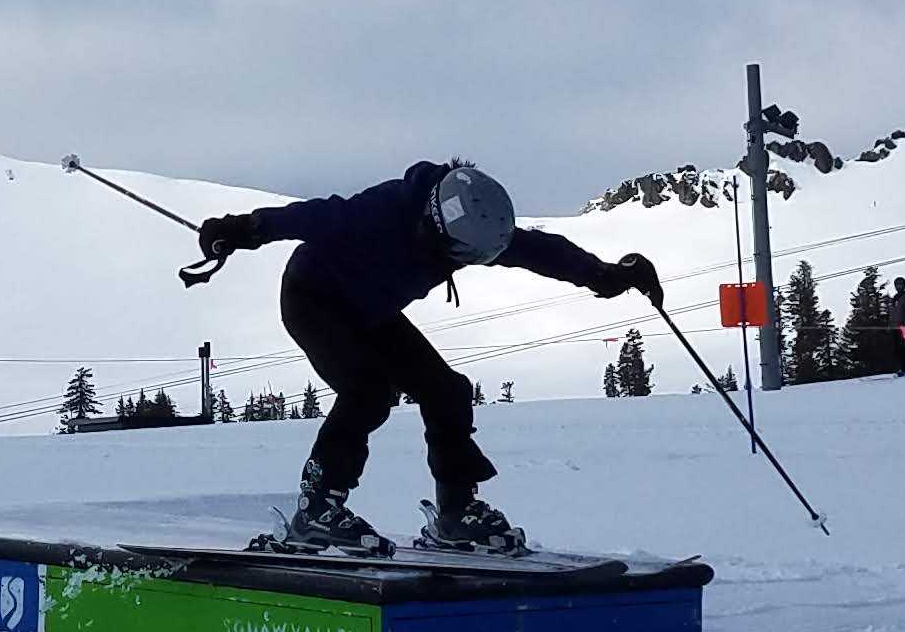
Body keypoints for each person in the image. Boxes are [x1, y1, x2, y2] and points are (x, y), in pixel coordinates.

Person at [196, 162, 658, 555]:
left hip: (373, 310)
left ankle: (455, 514)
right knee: (368, 390)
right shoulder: (382, 213)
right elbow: (312, 217)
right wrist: (243, 229)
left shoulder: (469, 224)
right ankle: (315, 510)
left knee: (447, 391)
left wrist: (604, 275)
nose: (468, 262)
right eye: (462, 255)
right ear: (435, 226)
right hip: (314, 299)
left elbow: (537, 250)